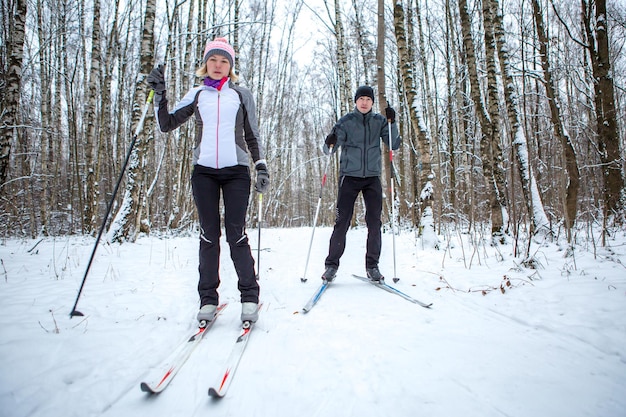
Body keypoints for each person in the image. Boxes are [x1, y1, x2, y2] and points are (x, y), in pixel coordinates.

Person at [147, 37, 268, 324]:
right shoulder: (197, 94)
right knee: (208, 236)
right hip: (204, 172)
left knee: (236, 234)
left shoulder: (240, 95)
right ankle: (207, 299)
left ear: (230, 67)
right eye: (213, 60)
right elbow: (166, 124)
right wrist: (160, 95)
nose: (218, 65)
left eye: (224, 61)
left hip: (236, 172)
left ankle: (249, 296)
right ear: (205, 63)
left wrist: (260, 166)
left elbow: (252, 134)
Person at [321, 85, 400, 283]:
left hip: (372, 177)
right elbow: (328, 149)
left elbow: (394, 144)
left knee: (375, 223)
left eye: (368, 99)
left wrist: (392, 123)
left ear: (372, 102)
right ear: (356, 101)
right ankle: (331, 266)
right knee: (342, 222)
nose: (364, 102)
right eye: (361, 99)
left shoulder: (379, 121)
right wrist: (329, 142)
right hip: (349, 176)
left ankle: (372, 266)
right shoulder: (346, 122)